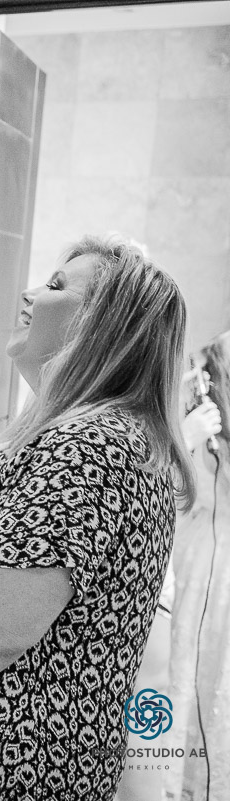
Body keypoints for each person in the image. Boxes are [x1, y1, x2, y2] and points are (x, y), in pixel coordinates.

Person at [0, 235, 196, 800]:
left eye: (55, 286)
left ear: (103, 327)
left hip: (10, 775)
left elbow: (2, 629)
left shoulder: (88, 448)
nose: (29, 295)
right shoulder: (98, 439)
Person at [164, 333, 230, 801]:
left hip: (220, 578)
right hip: (189, 567)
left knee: (215, 681)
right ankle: (172, 784)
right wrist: (187, 437)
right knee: (179, 674)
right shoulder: (188, 419)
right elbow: (157, 485)